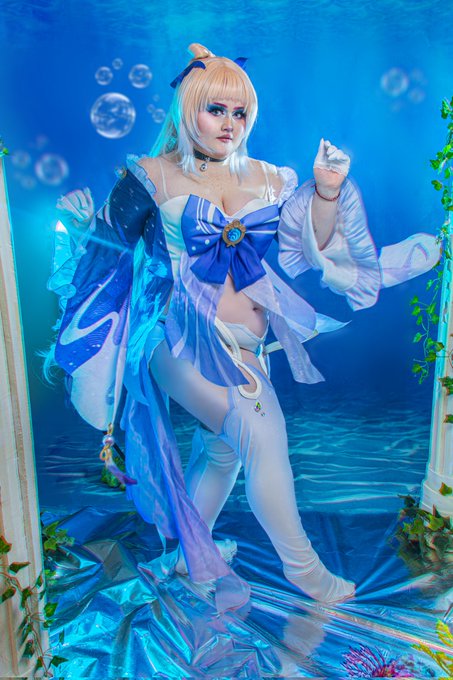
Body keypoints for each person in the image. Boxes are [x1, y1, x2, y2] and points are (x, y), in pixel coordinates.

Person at [49, 43, 439, 612]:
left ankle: (191, 553)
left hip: (250, 345)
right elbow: (105, 255)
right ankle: (305, 570)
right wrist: (82, 224)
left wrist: (327, 190)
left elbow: (312, 247)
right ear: (188, 109)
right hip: (177, 339)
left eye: (239, 112)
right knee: (262, 436)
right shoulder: (151, 175)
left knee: (222, 452)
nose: (228, 124)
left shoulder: (269, 177)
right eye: (216, 110)